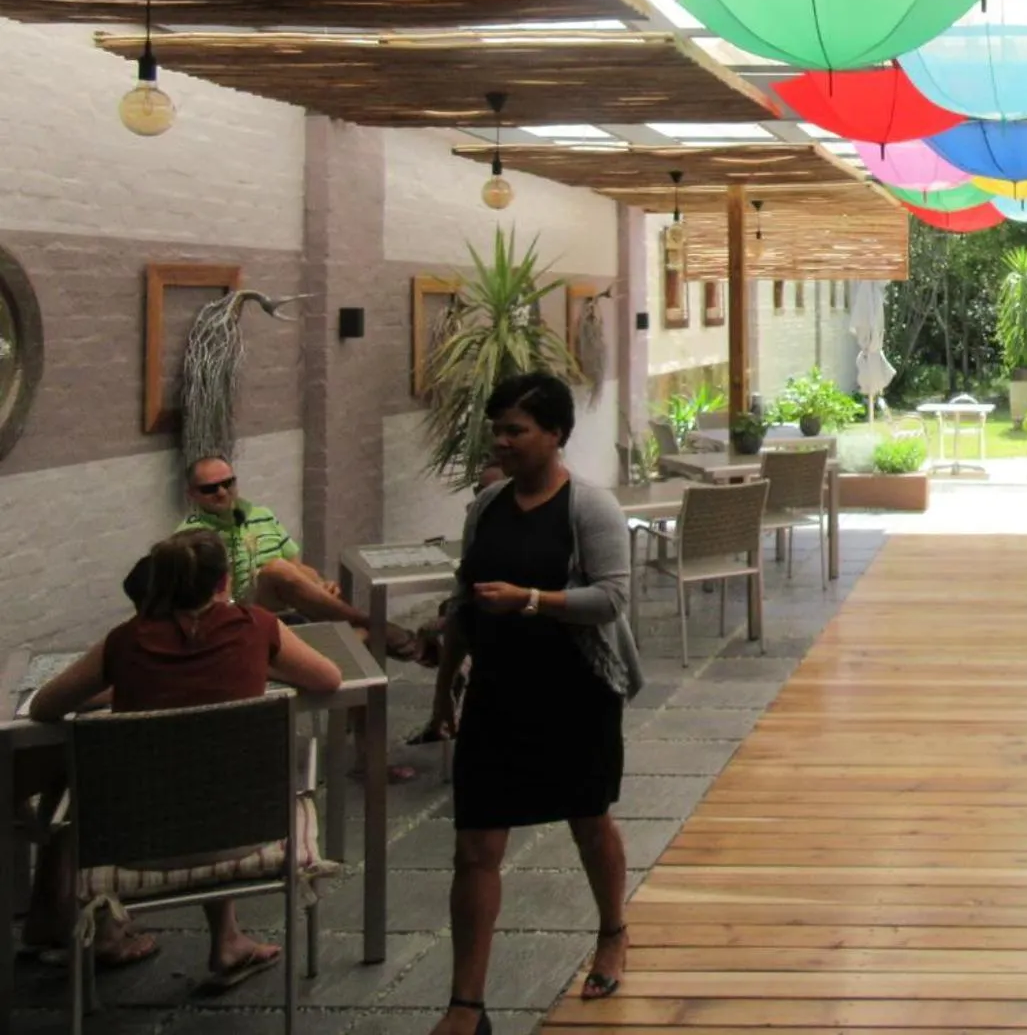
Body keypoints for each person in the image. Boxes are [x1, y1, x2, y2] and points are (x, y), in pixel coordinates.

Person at [24, 531, 343, 990]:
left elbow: (44, 707)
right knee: (211, 773)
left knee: (100, 778)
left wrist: (114, 691)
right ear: (224, 582)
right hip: (248, 832)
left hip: (134, 842)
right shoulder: (256, 627)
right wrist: (260, 666)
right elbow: (327, 678)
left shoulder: (124, 643)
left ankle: (73, 925)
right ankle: (227, 940)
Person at [427, 372, 642, 1035]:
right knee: (475, 849)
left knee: (588, 822)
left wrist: (530, 599)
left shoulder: (589, 508)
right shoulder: (485, 508)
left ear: (554, 434)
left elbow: (611, 598)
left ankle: (613, 931)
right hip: (497, 696)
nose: (503, 441)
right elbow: (466, 600)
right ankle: (467, 1004)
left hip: (575, 694)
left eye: (516, 430)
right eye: (498, 429)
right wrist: (442, 691)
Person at [177, 455, 420, 661]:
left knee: (359, 638)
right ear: (192, 495)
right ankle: (379, 626)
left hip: (285, 612)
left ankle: (374, 652)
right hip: (236, 618)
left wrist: (318, 585)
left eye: (227, 483)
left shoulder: (261, 515)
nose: (221, 492)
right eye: (210, 488)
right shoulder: (191, 536)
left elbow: (298, 567)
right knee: (275, 570)